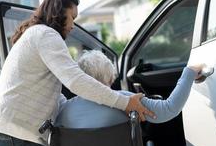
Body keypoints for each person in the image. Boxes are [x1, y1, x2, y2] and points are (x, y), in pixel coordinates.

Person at [0, 0, 155, 146]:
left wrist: (73, 109)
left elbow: (51, 92)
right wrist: (125, 102)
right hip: (18, 133)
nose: (73, 24)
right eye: (72, 17)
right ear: (59, 11)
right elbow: (76, 80)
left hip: (6, 129)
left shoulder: (35, 34)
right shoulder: (47, 35)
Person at [55, 50, 203, 128]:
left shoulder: (64, 111)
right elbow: (168, 110)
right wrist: (188, 73)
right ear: (110, 78)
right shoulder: (126, 101)